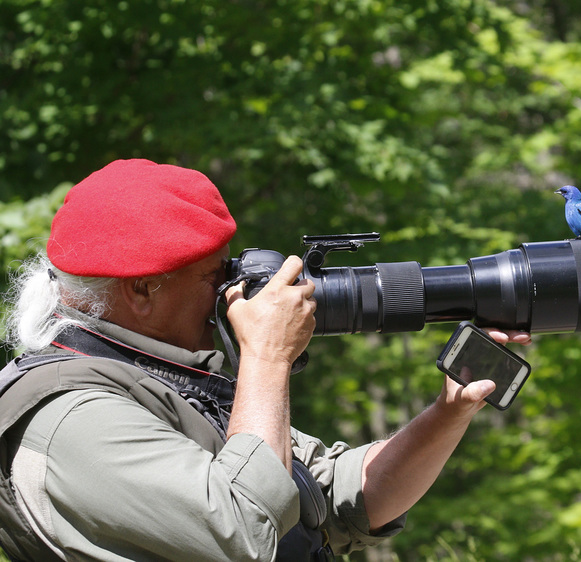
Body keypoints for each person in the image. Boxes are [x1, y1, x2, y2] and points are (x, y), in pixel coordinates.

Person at [0, 159, 531, 561]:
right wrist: (267, 357)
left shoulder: (163, 375)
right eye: (214, 277)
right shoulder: (68, 417)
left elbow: (341, 496)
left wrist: (450, 411)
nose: (229, 293)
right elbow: (244, 530)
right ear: (141, 289)